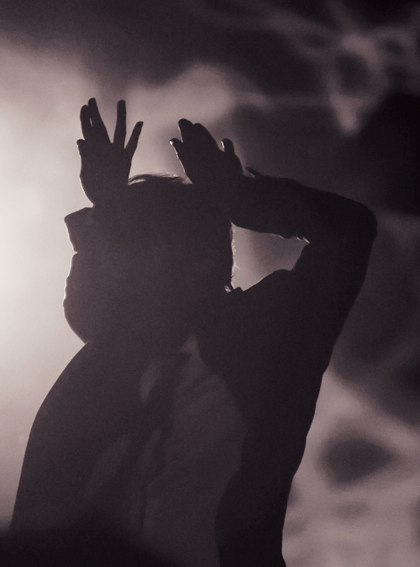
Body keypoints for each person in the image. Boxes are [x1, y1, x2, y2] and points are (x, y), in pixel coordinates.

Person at [10, 99, 377, 567]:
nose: (117, 262)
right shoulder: (116, 351)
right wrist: (107, 207)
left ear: (201, 259)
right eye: (119, 244)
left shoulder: (265, 335)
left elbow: (349, 232)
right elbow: (89, 300)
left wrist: (239, 195)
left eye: (138, 242)